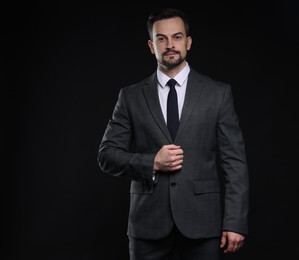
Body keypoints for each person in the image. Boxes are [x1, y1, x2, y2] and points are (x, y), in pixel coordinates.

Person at [97, 7, 249, 260]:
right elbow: (107, 155)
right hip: (147, 225)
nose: (170, 45)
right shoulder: (131, 96)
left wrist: (235, 221)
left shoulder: (218, 93)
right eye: (161, 39)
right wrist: (152, 163)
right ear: (150, 45)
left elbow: (235, 162)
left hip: (203, 224)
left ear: (188, 42)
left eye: (177, 37)